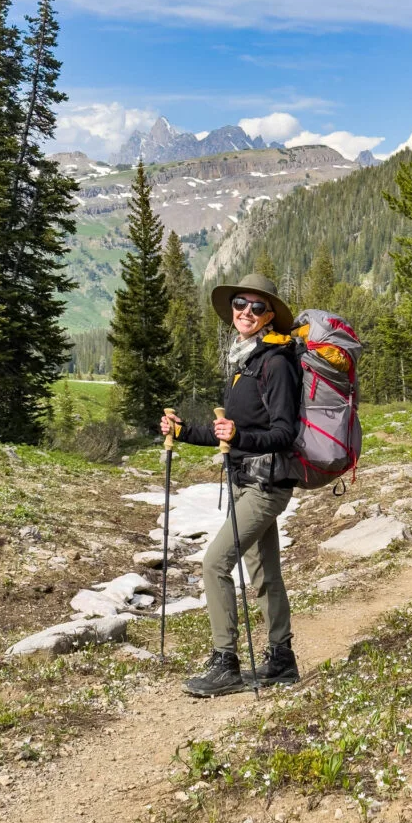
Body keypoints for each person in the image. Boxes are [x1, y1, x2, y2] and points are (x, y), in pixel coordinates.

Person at [160, 272, 301, 697]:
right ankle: (282, 660)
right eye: (240, 304)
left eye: (257, 307)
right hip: (246, 480)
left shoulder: (275, 363)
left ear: (270, 315)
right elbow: (228, 433)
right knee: (264, 572)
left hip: (266, 484)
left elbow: (284, 433)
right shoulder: (246, 363)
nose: (246, 312)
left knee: (213, 563)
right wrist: (184, 431)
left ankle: (226, 662)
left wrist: (239, 438)